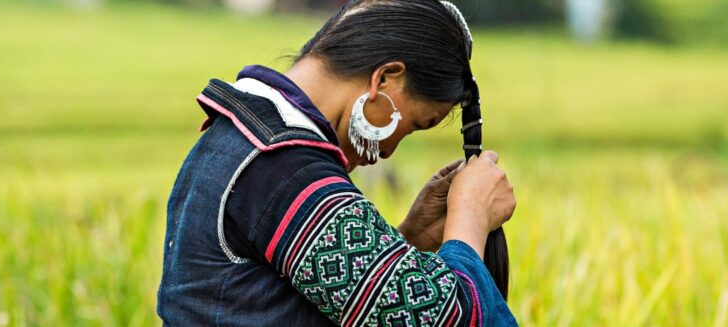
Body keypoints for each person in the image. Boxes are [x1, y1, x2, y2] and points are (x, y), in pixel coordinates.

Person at [157, 0, 518, 326]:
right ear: (385, 79)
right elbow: (439, 318)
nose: (390, 150)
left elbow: (299, 300)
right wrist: (470, 215)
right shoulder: (286, 169)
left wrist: (411, 238)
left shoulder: (247, 138)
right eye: (412, 125)